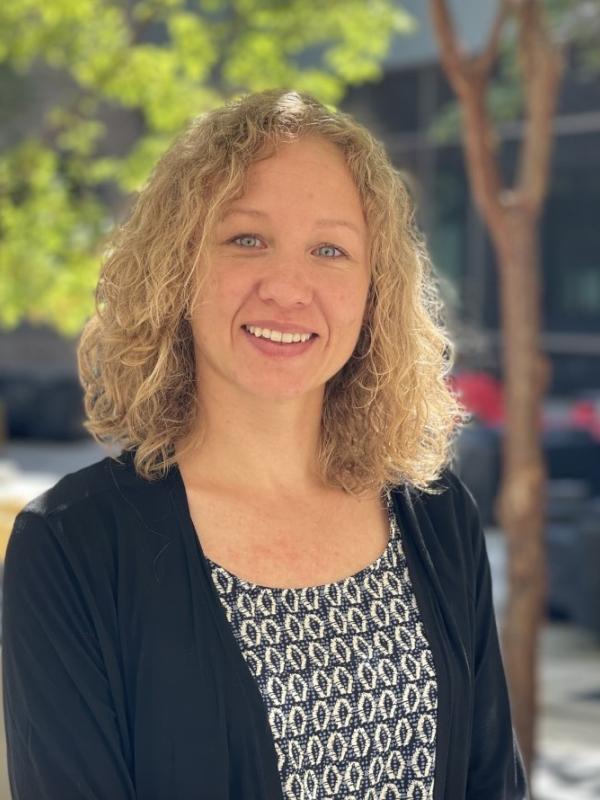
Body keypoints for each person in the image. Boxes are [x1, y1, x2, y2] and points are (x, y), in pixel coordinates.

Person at [2, 90, 528, 799]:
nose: (288, 286)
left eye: (330, 250)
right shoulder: (70, 548)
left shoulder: (435, 517)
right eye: (246, 239)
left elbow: (492, 783)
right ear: (178, 269)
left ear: (373, 293)